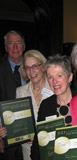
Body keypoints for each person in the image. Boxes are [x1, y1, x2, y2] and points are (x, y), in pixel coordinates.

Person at [30, 54, 73, 160]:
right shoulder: (46, 105)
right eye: (50, 77)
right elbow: (38, 143)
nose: (54, 82)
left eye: (59, 75)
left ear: (70, 77)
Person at [16, 49, 52, 160]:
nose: (31, 71)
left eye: (35, 66)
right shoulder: (20, 91)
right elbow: (19, 122)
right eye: (27, 67)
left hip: (51, 147)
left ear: (43, 66)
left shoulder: (55, 87)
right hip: (28, 149)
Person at [0, 30, 26, 160]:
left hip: (31, 135)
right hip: (6, 135)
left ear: (24, 46)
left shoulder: (35, 67)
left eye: (18, 43)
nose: (15, 47)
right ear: (6, 47)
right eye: (11, 43)